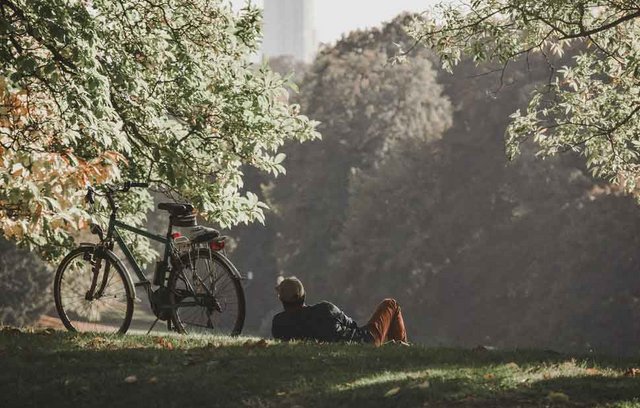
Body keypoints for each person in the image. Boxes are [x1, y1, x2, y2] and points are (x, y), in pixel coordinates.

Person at [271, 276, 407, 346]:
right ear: (303, 295)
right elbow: (352, 325)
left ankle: (396, 348)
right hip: (364, 342)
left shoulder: (278, 323)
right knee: (391, 304)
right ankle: (403, 350)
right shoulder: (325, 309)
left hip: (350, 346)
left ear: (282, 300)